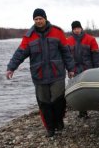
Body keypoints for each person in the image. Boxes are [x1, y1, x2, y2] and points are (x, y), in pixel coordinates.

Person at [6, 8, 75, 137]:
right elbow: (20, 53)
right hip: (39, 76)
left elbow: (66, 52)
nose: (38, 21)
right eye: (36, 19)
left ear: (45, 18)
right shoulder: (29, 36)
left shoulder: (57, 32)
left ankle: (59, 121)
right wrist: (11, 68)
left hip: (57, 74)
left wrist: (71, 69)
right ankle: (50, 128)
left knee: (58, 100)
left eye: (40, 19)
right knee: (44, 103)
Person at [66, 21, 99, 118]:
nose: (76, 30)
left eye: (78, 28)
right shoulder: (68, 41)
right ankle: (82, 111)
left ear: (81, 28)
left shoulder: (90, 39)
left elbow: (96, 55)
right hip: (75, 69)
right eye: (74, 29)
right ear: (72, 30)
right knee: (78, 91)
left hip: (88, 68)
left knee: (90, 89)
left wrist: (96, 68)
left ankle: (97, 107)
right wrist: (69, 69)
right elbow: (66, 57)